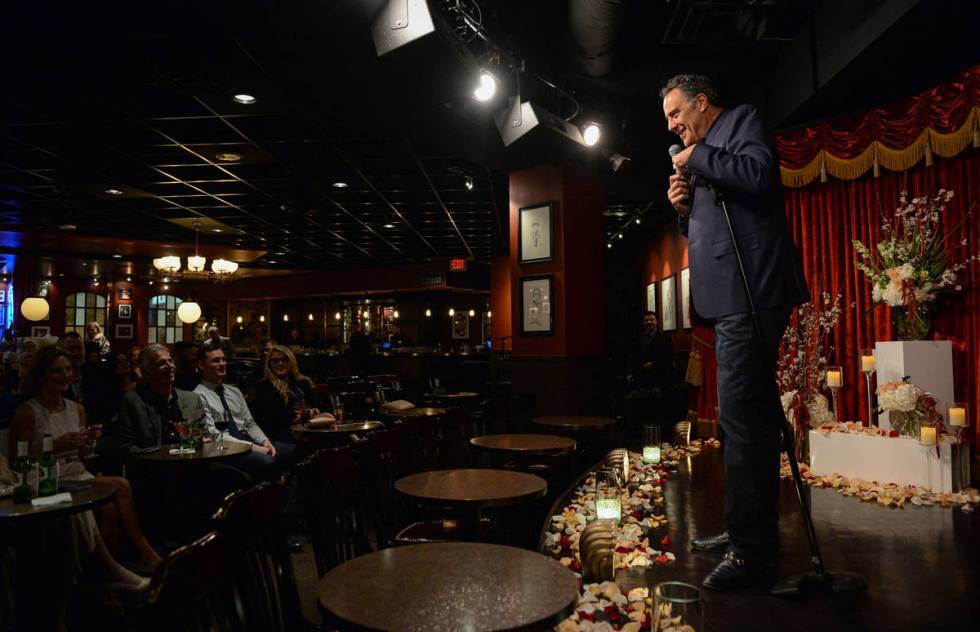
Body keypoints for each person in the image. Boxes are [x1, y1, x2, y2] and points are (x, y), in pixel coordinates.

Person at [663, 74, 809, 590]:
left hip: (754, 292)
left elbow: (759, 176)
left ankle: (752, 553)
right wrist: (683, 210)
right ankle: (740, 531)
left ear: (704, 103)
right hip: (728, 299)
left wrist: (693, 160)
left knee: (745, 420)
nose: (674, 127)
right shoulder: (703, 153)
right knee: (742, 418)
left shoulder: (739, 122)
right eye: (669, 121)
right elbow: (715, 221)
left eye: (677, 114)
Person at [8, 345, 161, 575]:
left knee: (121, 487)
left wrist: (87, 444)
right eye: (57, 371)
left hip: (77, 474)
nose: (65, 375)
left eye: (68, 369)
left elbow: (82, 460)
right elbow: (15, 462)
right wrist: (57, 445)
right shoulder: (28, 412)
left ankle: (137, 556)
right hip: (43, 478)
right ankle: (108, 570)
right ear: (42, 375)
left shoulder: (77, 409)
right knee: (103, 506)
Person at [194, 346, 295, 481]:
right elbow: (215, 435)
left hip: (250, 441)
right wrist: (252, 448)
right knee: (267, 462)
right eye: (216, 360)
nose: (222, 364)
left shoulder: (234, 391)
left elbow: (250, 423)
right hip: (228, 449)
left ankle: (291, 499)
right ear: (201, 365)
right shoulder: (198, 395)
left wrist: (265, 441)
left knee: (296, 452)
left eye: (223, 359)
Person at [251, 345, 318, 443]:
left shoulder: (303, 382)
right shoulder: (264, 387)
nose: (280, 363)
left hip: (310, 429)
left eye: (284, 359)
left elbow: (316, 403)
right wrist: (301, 415)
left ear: (291, 361)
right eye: (275, 360)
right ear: (269, 364)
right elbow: (273, 418)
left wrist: (315, 410)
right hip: (280, 436)